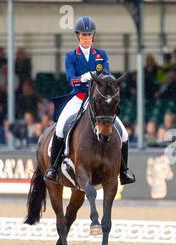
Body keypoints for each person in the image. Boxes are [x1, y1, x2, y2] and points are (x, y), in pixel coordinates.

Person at [45, 16, 135, 185]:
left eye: (89, 35)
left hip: (98, 99)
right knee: (60, 127)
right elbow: (71, 79)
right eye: (83, 35)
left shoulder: (101, 55)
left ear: (93, 36)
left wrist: (109, 80)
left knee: (123, 132)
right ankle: (54, 167)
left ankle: (124, 170)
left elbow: (106, 76)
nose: (86, 38)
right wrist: (83, 78)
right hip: (78, 96)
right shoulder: (71, 56)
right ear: (78, 36)